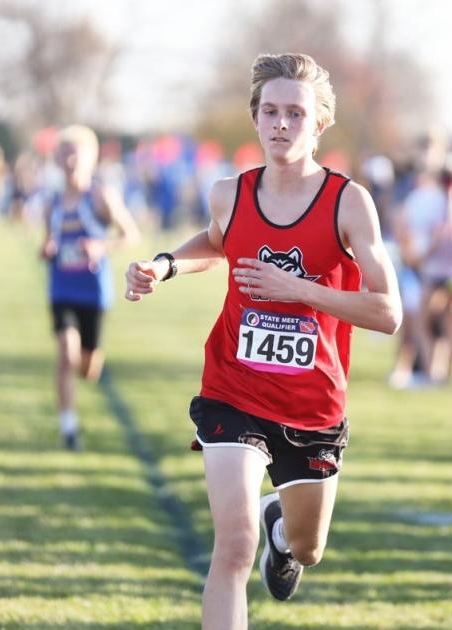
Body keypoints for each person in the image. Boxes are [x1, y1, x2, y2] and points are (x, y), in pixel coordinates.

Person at [124, 53, 401, 630]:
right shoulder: (230, 192)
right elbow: (218, 241)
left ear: (320, 124)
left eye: (295, 114)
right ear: (255, 119)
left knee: (308, 548)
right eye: (270, 111)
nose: (280, 124)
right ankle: (258, 530)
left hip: (311, 402)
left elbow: (388, 312)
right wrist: (166, 265)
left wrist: (296, 288)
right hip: (234, 388)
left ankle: (284, 526)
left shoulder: (348, 202)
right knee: (233, 545)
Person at [41, 125, 139, 450]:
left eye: (75, 153)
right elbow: (47, 244)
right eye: (64, 153)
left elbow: (130, 235)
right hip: (61, 290)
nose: (69, 160)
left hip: (94, 293)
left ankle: (90, 361)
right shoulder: (52, 203)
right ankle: (68, 428)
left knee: (88, 368)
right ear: (57, 159)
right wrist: (46, 251)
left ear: (91, 158)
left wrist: (101, 247)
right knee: (66, 356)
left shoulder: (100, 196)